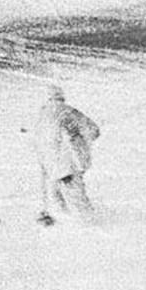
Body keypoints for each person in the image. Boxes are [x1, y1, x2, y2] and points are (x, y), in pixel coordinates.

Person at [31, 85, 101, 225]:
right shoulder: (68, 112)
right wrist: (81, 142)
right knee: (78, 201)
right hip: (68, 165)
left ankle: (63, 227)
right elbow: (93, 130)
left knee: (57, 202)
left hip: (49, 165)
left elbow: (38, 143)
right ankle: (90, 226)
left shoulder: (41, 116)